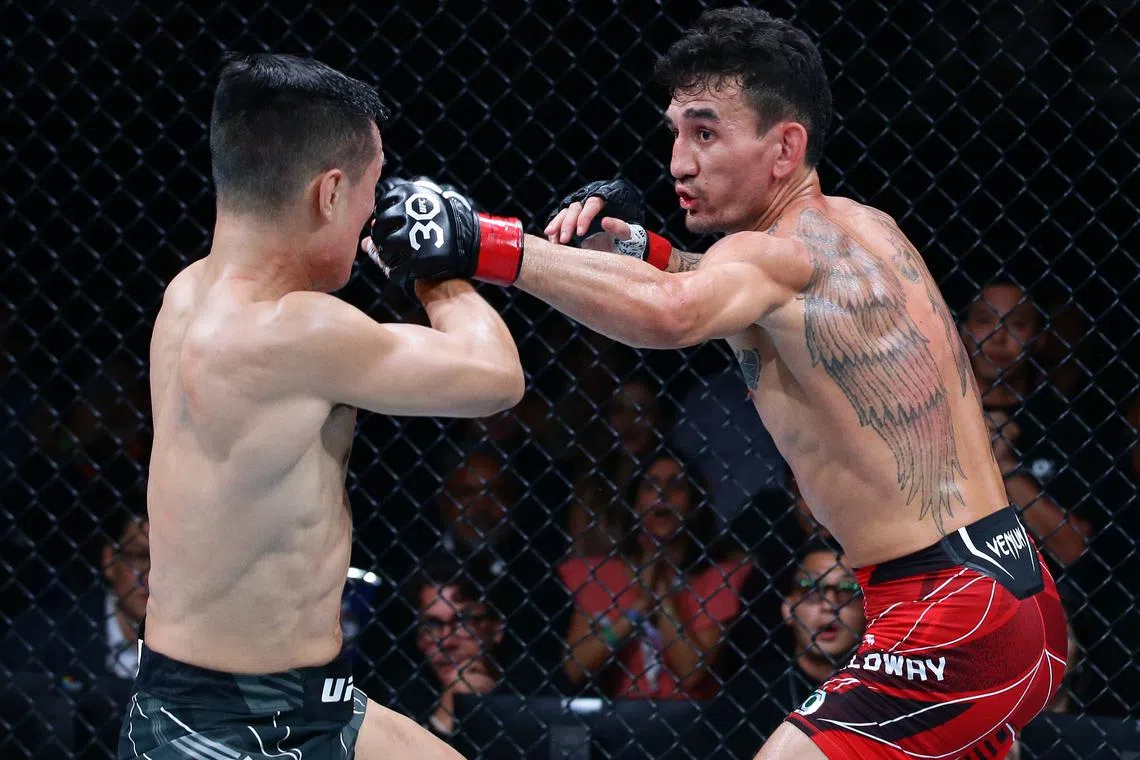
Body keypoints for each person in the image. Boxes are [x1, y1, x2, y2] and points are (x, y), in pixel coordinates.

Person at [365, 9, 1067, 758]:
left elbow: (671, 315)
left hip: (943, 611)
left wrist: (479, 240)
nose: (678, 162)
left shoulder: (769, 255)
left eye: (705, 132)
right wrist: (639, 247)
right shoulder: (867, 228)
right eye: (674, 132)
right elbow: (730, 294)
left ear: (784, 146)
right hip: (1017, 594)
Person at [121, 53, 524, 760]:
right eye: (374, 189)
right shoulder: (293, 329)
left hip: (296, 699)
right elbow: (496, 377)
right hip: (223, 728)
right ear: (330, 193)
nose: (378, 211)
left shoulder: (188, 293)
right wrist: (437, 272)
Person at [558, 452, 752, 700]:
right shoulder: (600, 574)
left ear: (694, 504)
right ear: (635, 504)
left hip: (692, 721)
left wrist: (661, 594)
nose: (663, 495)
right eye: (651, 486)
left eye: (676, 486)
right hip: (614, 717)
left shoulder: (718, 578)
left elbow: (691, 672)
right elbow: (576, 668)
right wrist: (635, 611)